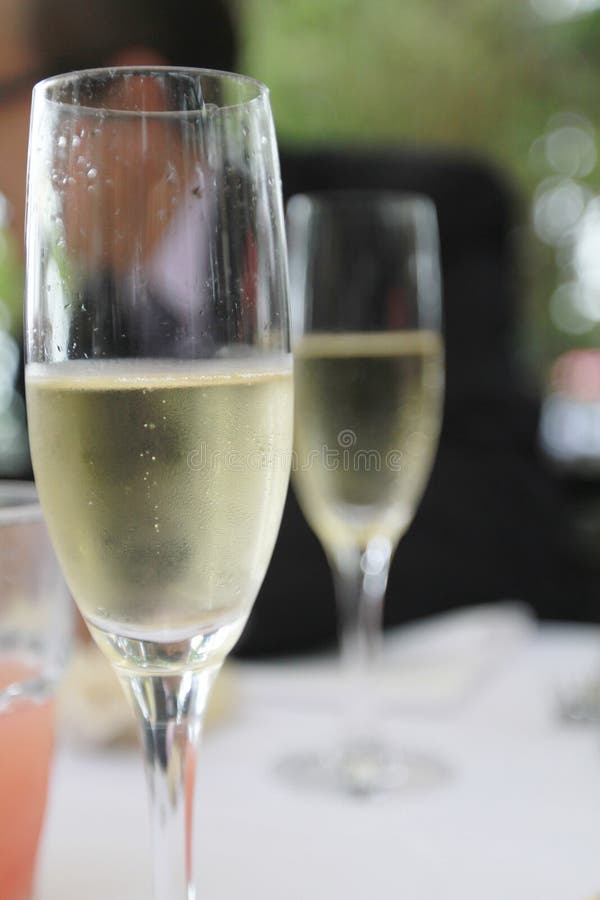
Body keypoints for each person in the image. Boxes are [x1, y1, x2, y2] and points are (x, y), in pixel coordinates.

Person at [0, 0, 585, 655]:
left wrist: (156, 602)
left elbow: (495, 513)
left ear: (133, 98)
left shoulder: (416, 220)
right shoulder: (71, 330)